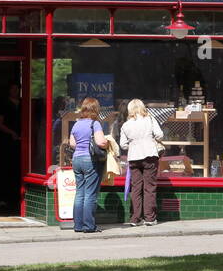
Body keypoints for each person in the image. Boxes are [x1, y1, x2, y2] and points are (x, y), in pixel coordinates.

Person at [119, 98, 165, 226]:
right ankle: (150, 218)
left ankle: (135, 218)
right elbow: (160, 135)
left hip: (134, 158)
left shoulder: (126, 125)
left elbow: (123, 145)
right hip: (149, 155)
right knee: (149, 188)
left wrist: (134, 146)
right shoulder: (150, 119)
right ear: (142, 107)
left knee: (136, 188)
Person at [67, 96, 109, 233]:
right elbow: (100, 142)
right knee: (90, 194)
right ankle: (89, 226)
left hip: (76, 160)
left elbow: (72, 143)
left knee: (80, 193)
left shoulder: (76, 124)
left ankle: (78, 225)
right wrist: (108, 142)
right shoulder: (94, 124)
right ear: (96, 109)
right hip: (90, 160)